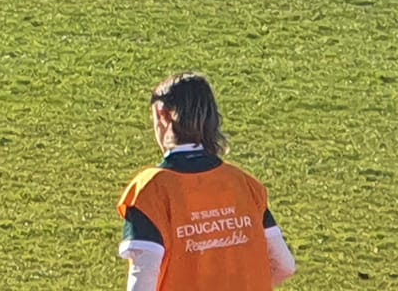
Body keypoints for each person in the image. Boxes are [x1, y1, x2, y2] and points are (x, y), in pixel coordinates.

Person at [117, 73, 297, 291]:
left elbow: (143, 281)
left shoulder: (150, 191)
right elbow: (285, 265)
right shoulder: (245, 185)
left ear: (163, 115)